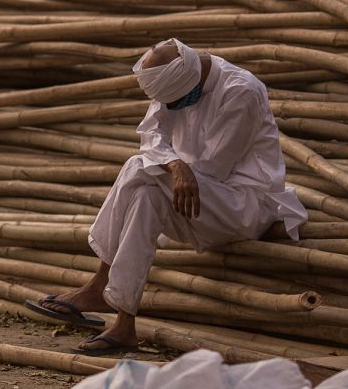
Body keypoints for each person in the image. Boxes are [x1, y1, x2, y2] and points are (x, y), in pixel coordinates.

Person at [25, 38, 306, 350]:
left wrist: (173, 165)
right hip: (193, 198)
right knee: (145, 198)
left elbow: (213, 169)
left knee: (136, 167)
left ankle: (98, 284)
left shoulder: (241, 91)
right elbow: (151, 133)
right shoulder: (174, 79)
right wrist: (173, 163)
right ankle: (124, 322)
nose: (171, 108)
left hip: (241, 206)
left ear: (192, 79)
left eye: (175, 102)